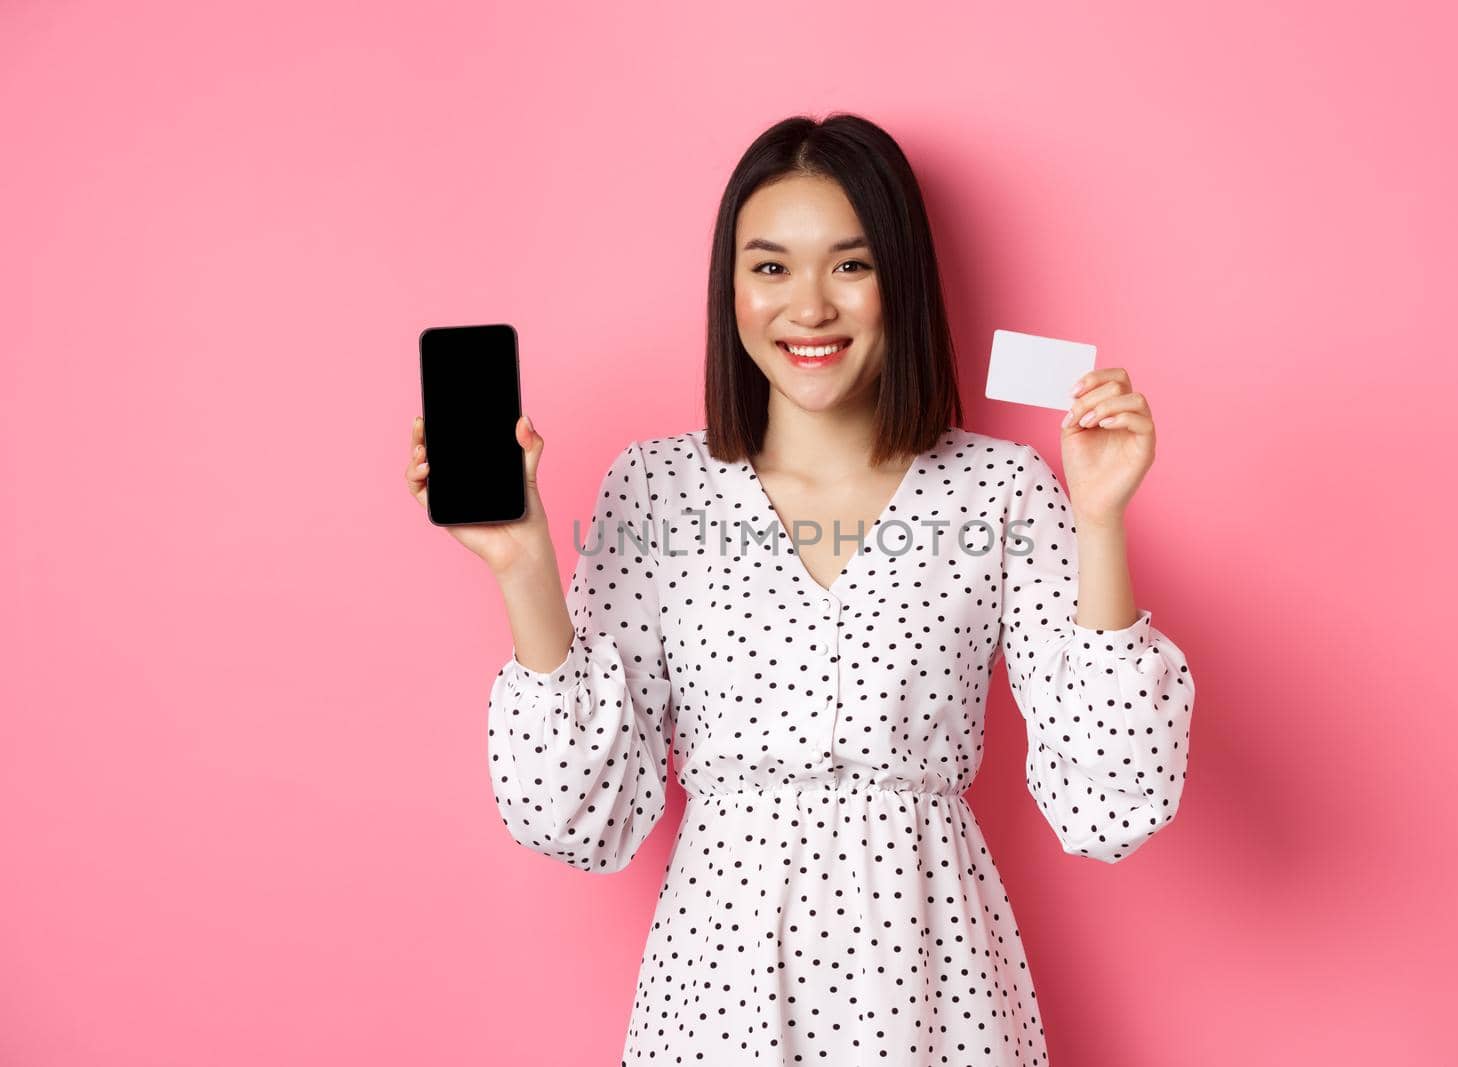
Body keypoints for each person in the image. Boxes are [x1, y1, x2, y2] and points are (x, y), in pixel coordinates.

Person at [405, 112, 1195, 1065]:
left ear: (899, 280)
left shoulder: (1002, 487)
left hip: (933, 987)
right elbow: (580, 813)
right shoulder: (658, 487)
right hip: (718, 993)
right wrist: (525, 564)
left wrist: (1101, 515)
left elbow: (1113, 799)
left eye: (850, 265)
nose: (809, 307)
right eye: (771, 267)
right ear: (729, 288)